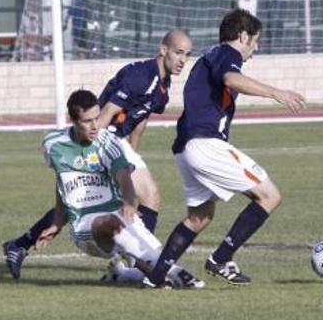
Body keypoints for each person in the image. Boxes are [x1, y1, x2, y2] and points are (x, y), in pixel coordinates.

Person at [2, 30, 194, 279]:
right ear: (163, 50)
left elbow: (140, 120)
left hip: (118, 142)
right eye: (178, 53)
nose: (182, 60)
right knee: (92, 199)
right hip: (104, 135)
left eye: (187, 55)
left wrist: (129, 156)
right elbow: (106, 113)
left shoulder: (163, 83)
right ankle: (143, 262)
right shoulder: (141, 76)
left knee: (142, 197)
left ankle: (139, 259)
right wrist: (95, 151)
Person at [145, 9, 305, 288]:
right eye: (254, 42)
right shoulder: (227, 53)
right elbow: (232, 79)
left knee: (200, 216)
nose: (254, 51)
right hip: (205, 144)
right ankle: (221, 258)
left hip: (186, 147)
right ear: (242, 36)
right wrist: (277, 93)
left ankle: (156, 277)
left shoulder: (211, 57)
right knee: (269, 195)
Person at [30, 89, 203, 288]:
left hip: (117, 213)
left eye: (97, 118)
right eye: (87, 121)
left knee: (141, 244)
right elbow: (62, 183)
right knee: (111, 223)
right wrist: (57, 223)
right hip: (84, 226)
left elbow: (124, 176)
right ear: (74, 120)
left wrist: (129, 202)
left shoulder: (108, 142)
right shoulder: (53, 144)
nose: (95, 126)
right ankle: (175, 273)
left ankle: (127, 274)